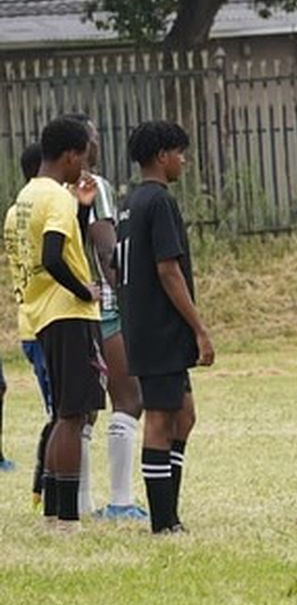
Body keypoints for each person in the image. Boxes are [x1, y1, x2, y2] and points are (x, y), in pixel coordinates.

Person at [118, 121, 213, 534]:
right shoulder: (159, 201)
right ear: (162, 156)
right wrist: (200, 328)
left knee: (184, 415)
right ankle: (163, 523)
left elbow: (115, 266)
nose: (184, 161)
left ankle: (170, 511)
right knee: (159, 419)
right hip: (158, 328)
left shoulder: (129, 203)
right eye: (180, 153)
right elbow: (168, 269)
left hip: (148, 326)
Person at [17, 117, 103, 530]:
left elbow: (63, 247)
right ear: (70, 155)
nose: (84, 166)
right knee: (73, 415)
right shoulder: (56, 197)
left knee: (62, 414)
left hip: (41, 314)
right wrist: (84, 291)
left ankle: (53, 510)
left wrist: (82, 211)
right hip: (68, 314)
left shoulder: (25, 197)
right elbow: (53, 258)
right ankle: (67, 518)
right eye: (83, 157)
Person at [67, 113, 146, 522]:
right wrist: (128, 290)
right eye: (94, 136)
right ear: (83, 146)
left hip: (66, 308)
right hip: (105, 305)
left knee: (80, 410)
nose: (99, 143)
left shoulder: (49, 189)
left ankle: (80, 503)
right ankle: (120, 501)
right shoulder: (92, 185)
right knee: (128, 398)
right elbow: (105, 248)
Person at [7, 144, 51, 504]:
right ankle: (46, 488)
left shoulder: (15, 212)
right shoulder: (44, 207)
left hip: (28, 322)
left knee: (59, 412)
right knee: (64, 414)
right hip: (49, 322)